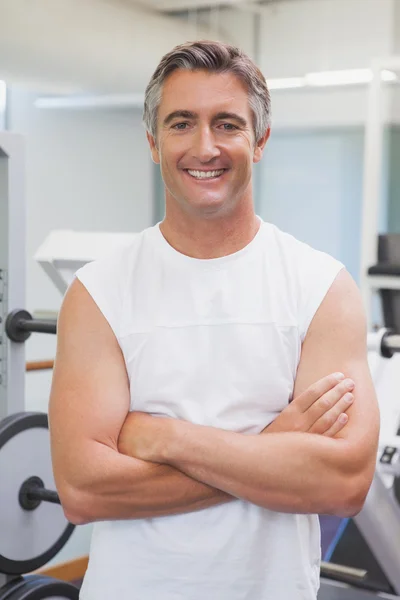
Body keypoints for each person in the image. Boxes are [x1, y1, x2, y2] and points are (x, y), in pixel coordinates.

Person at [49, 40, 380, 600]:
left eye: (227, 123)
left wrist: (164, 436)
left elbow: (343, 482)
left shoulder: (322, 287)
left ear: (261, 140)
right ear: (154, 143)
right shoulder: (98, 293)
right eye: (182, 123)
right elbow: (83, 490)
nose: (205, 147)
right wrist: (275, 447)